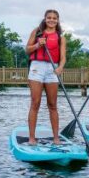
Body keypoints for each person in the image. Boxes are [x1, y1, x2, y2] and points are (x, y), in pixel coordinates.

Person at [25, 9, 66, 145]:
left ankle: (56, 138)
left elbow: (63, 57)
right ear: (45, 18)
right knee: (35, 103)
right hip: (37, 67)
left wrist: (60, 67)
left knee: (52, 105)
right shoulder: (37, 32)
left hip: (52, 69)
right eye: (49, 17)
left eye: (54, 18)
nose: (51, 20)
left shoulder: (60, 37)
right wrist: (37, 45)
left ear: (57, 20)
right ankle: (32, 138)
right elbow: (27, 49)